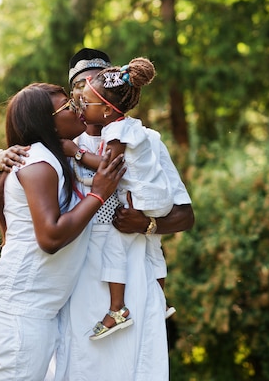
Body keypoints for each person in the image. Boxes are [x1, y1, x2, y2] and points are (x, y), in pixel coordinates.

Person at [0, 48, 194, 380]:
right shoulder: (59, 147)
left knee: (131, 364)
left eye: (95, 81)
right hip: (71, 278)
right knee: (74, 365)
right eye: (78, 85)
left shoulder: (141, 141)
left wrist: (147, 224)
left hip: (127, 270)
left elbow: (185, 215)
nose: (83, 91)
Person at [0, 82, 126, 380]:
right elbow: (50, 238)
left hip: (37, 306)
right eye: (67, 106)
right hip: (18, 304)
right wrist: (98, 194)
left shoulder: (58, 158)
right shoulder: (39, 162)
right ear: (47, 121)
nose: (77, 108)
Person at [68, 57, 175, 340]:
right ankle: (161, 298)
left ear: (105, 108)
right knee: (154, 248)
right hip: (154, 196)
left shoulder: (117, 134)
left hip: (142, 200)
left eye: (87, 96)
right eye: (77, 88)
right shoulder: (129, 126)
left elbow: (106, 169)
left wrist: (75, 153)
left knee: (115, 245)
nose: (80, 100)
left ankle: (117, 309)